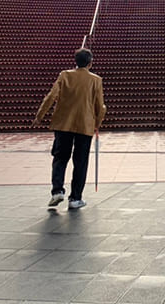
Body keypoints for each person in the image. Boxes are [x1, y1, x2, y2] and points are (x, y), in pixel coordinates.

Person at [34, 48, 106, 210]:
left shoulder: (64, 75)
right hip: (84, 125)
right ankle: (75, 198)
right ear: (90, 63)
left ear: (76, 61)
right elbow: (100, 106)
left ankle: (57, 190)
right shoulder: (96, 80)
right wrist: (97, 123)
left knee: (60, 157)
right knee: (80, 162)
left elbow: (51, 96)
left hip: (63, 124)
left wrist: (40, 116)